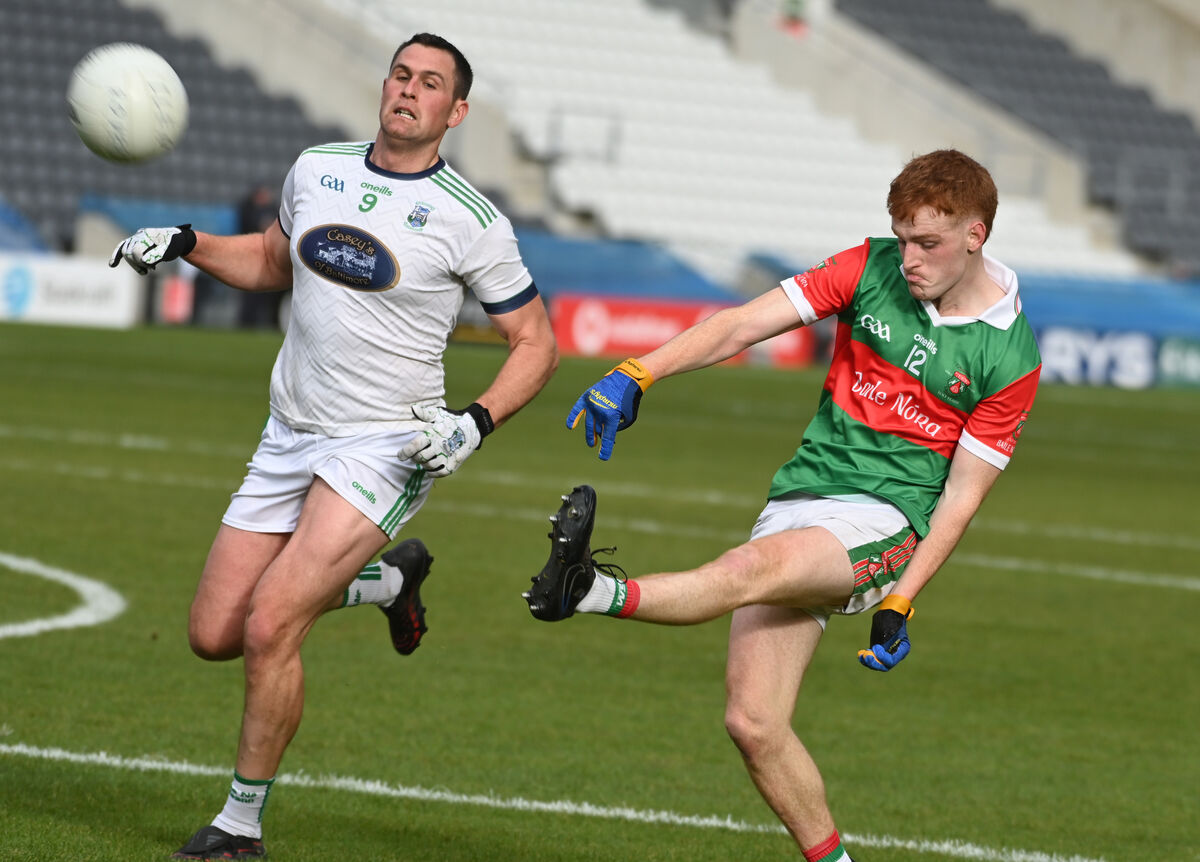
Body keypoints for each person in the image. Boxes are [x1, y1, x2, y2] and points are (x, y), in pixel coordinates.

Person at [109, 33, 558, 860]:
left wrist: (474, 422)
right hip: (290, 430)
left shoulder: (473, 220)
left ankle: (239, 828)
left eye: (430, 84)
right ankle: (390, 583)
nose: (408, 91)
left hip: (387, 445)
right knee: (216, 631)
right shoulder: (317, 167)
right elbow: (277, 260)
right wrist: (186, 243)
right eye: (400, 74)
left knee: (273, 622)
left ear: (455, 113)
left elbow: (536, 342)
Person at [524, 149, 1040, 862]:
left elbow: (961, 498)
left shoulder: (1009, 357)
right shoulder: (868, 266)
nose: (910, 258)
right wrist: (640, 371)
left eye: (929, 244)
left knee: (749, 569)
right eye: (902, 236)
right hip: (802, 493)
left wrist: (904, 597)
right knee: (754, 722)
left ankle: (586, 590)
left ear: (975, 236)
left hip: (884, 522)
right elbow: (741, 324)